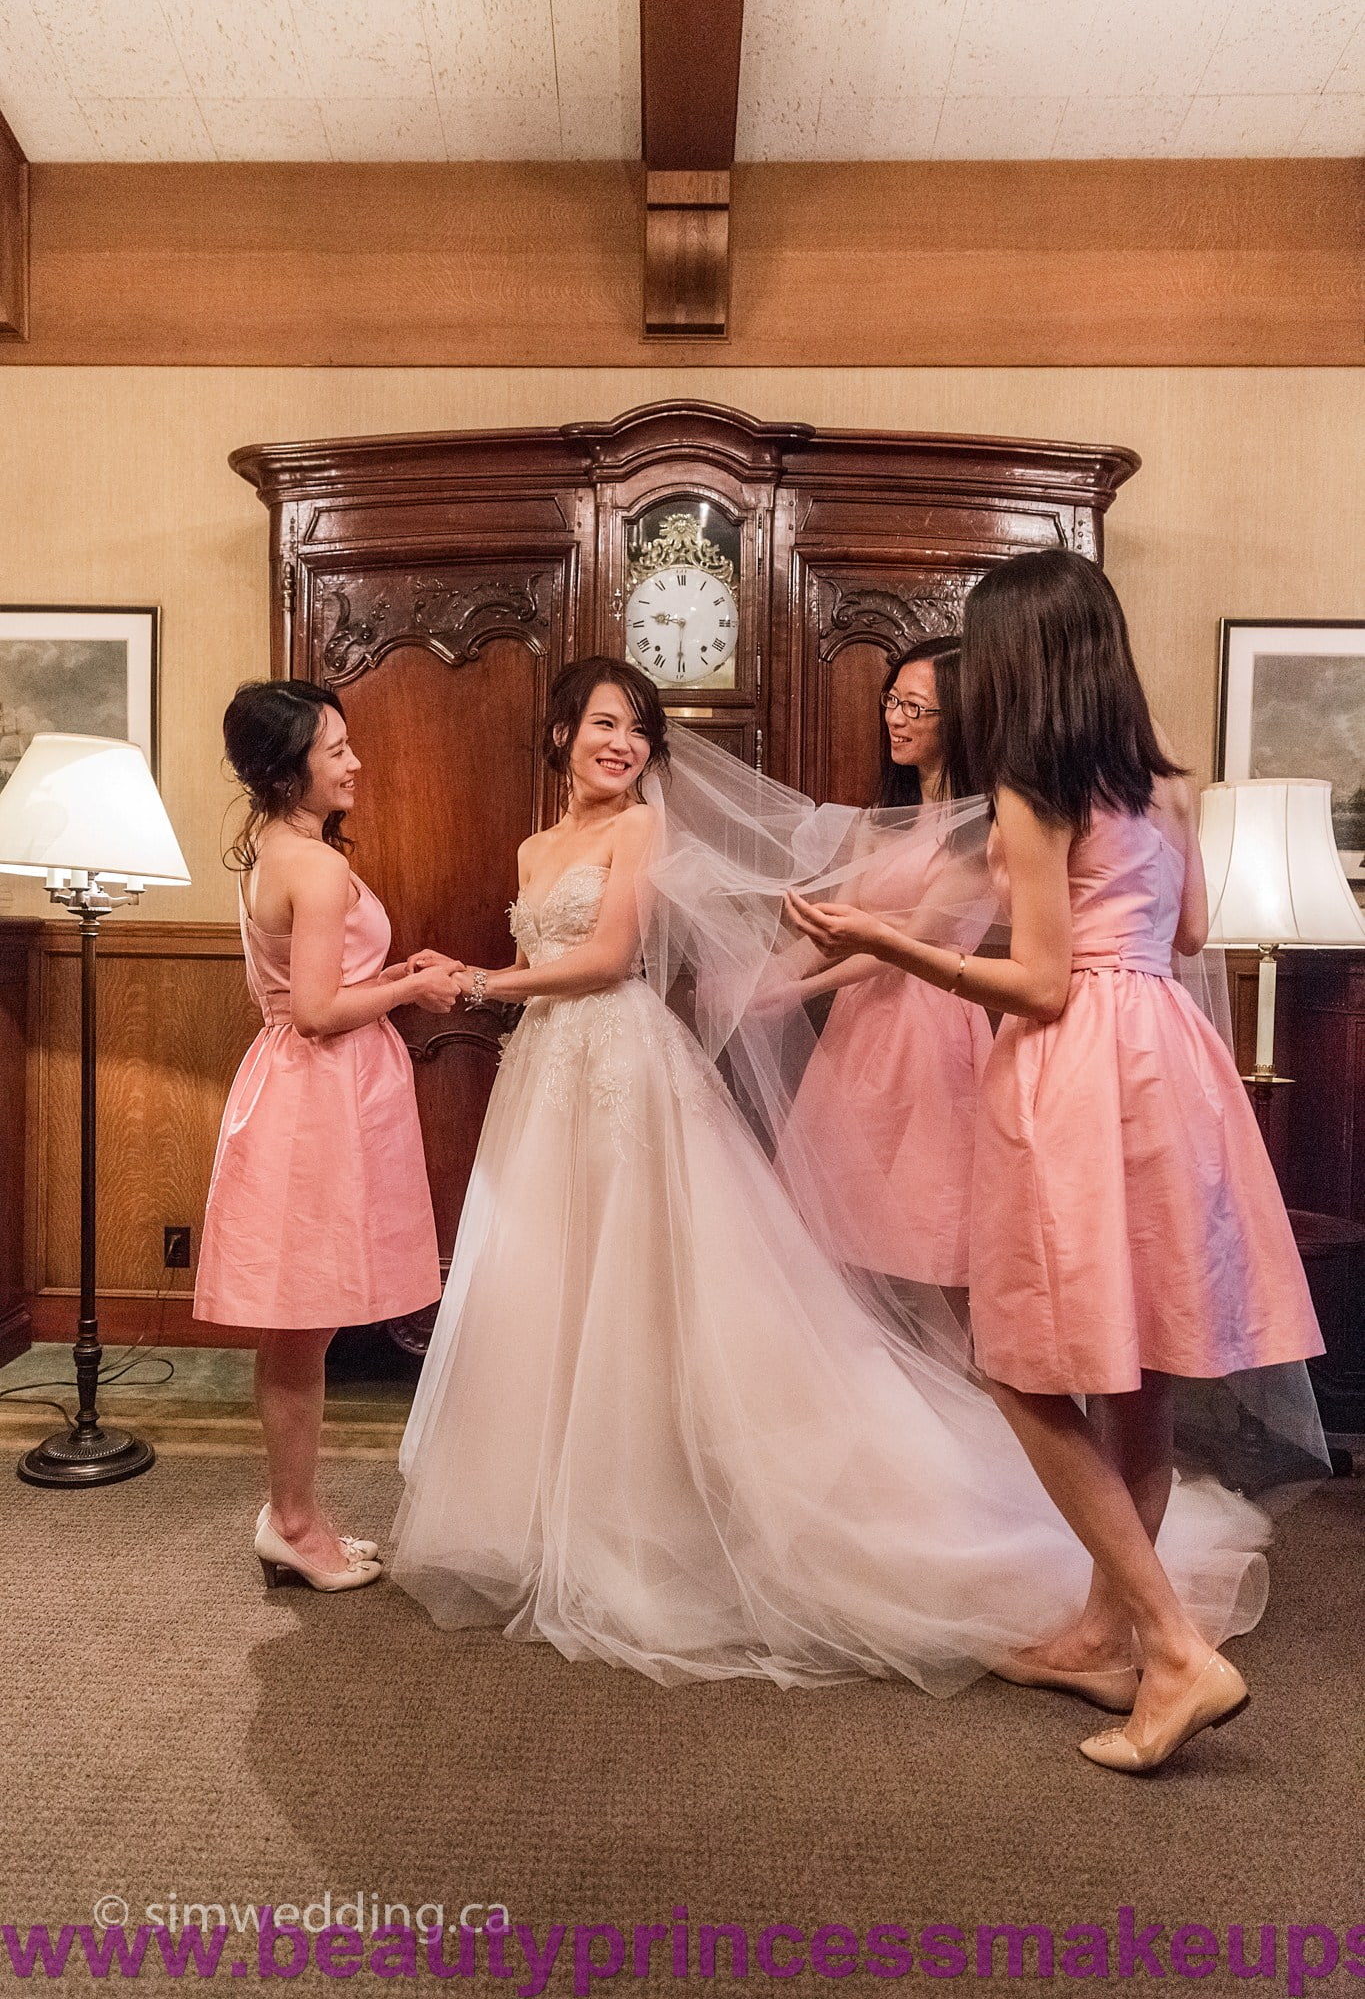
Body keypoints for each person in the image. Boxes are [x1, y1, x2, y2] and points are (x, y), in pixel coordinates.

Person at [390, 655, 1270, 1699]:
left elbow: (616, 957)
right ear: (559, 735)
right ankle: (564, 1493)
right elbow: (1184, 932)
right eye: (604, 725)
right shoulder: (536, 847)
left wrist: (476, 981)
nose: (623, 744)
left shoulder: (660, 829)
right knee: (551, 1276)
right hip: (551, 1065)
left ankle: (1120, 1613)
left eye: (637, 728)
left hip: (779, 1047)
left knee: (939, 1306)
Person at [786, 550, 1325, 1771]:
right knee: (1137, 1365)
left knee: (1019, 1364)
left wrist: (883, 935)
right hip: (1169, 1058)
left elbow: (1035, 980)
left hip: (1075, 1065)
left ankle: (1173, 1648)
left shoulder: (1034, 792)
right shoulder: (1166, 781)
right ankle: (1101, 1631)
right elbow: (1189, 931)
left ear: (1019, 660)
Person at [194, 680, 459, 1593]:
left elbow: (309, 990)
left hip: (301, 1085)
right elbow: (314, 1011)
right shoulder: (315, 865)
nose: (355, 762)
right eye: (335, 749)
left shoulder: (277, 849)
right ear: (287, 768)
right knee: (302, 1326)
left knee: (299, 1326)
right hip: (319, 1094)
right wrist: (410, 989)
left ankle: (295, 1514)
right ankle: (296, 1524)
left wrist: (388, 972)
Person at [769, 639, 992, 1316]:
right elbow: (842, 924)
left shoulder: (981, 829)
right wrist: (771, 973)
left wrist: (798, 991)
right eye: (891, 701)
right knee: (841, 1228)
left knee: (923, 1231)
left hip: (931, 1024)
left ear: (961, 716)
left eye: (914, 707)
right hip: (860, 1026)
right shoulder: (881, 820)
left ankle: (949, 1372)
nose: (895, 718)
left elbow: (911, 942)